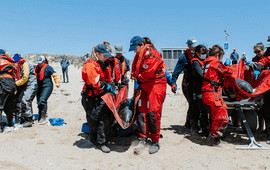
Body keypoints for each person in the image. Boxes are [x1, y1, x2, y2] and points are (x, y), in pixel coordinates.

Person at [129, 36, 167, 154]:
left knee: (153, 113)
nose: (134, 51)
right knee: (141, 112)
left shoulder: (151, 53)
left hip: (155, 85)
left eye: (135, 48)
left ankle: (155, 141)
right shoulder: (140, 54)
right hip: (143, 85)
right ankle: (143, 137)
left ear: (141, 44)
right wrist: (137, 80)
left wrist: (139, 79)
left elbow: (149, 71)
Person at [81, 44, 116, 153]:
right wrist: (106, 85)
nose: (106, 58)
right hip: (91, 97)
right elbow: (94, 83)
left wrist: (112, 85)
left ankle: (102, 142)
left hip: (102, 96)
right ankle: (94, 140)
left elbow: (109, 78)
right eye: (104, 55)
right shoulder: (91, 66)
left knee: (105, 118)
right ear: (97, 54)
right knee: (93, 120)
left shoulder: (104, 64)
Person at [202, 45, 233, 146]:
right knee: (222, 117)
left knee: (216, 116)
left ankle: (214, 137)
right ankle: (213, 138)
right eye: (221, 56)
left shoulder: (206, 62)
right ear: (217, 55)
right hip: (212, 93)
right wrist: (229, 66)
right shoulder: (215, 62)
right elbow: (227, 72)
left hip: (207, 93)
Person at [171, 37, 200, 132]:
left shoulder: (199, 54)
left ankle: (188, 123)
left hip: (198, 83)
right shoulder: (184, 57)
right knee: (193, 103)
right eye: (193, 46)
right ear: (188, 46)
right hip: (187, 83)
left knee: (196, 103)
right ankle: (193, 126)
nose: (195, 48)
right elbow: (176, 71)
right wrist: (173, 83)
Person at [13, 54, 37, 127]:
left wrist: (15, 83)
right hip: (24, 86)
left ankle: (29, 119)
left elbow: (25, 78)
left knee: (25, 100)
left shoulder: (25, 65)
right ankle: (21, 118)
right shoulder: (18, 68)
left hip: (31, 85)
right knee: (19, 100)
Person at [34, 56, 60, 125]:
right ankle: (40, 116)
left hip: (47, 86)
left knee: (42, 100)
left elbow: (54, 74)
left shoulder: (48, 67)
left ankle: (43, 117)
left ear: (44, 62)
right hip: (39, 87)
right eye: (38, 63)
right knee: (38, 102)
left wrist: (57, 82)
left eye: (40, 63)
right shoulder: (36, 68)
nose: (39, 64)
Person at [191, 45, 210, 137]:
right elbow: (201, 75)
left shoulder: (203, 61)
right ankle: (205, 130)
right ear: (197, 53)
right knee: (203, 111)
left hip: (204, 89)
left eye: (205, 53)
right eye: (202, 53)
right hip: (199, 90)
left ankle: (206, 129)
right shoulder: (195, 62)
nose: (204, 55)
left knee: (205, 110)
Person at [253, 47, 270, 141]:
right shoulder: (268, 53)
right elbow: (264, 61)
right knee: (267, 108)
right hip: (268, 84)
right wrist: (258, 68)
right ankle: (268, 132)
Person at [0, 49, 16, 127]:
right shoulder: (11, 61)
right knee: (9, 106)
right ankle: (10, 123)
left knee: (0, 105)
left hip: (2, 81)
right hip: (11, 84)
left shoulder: (0, 60)